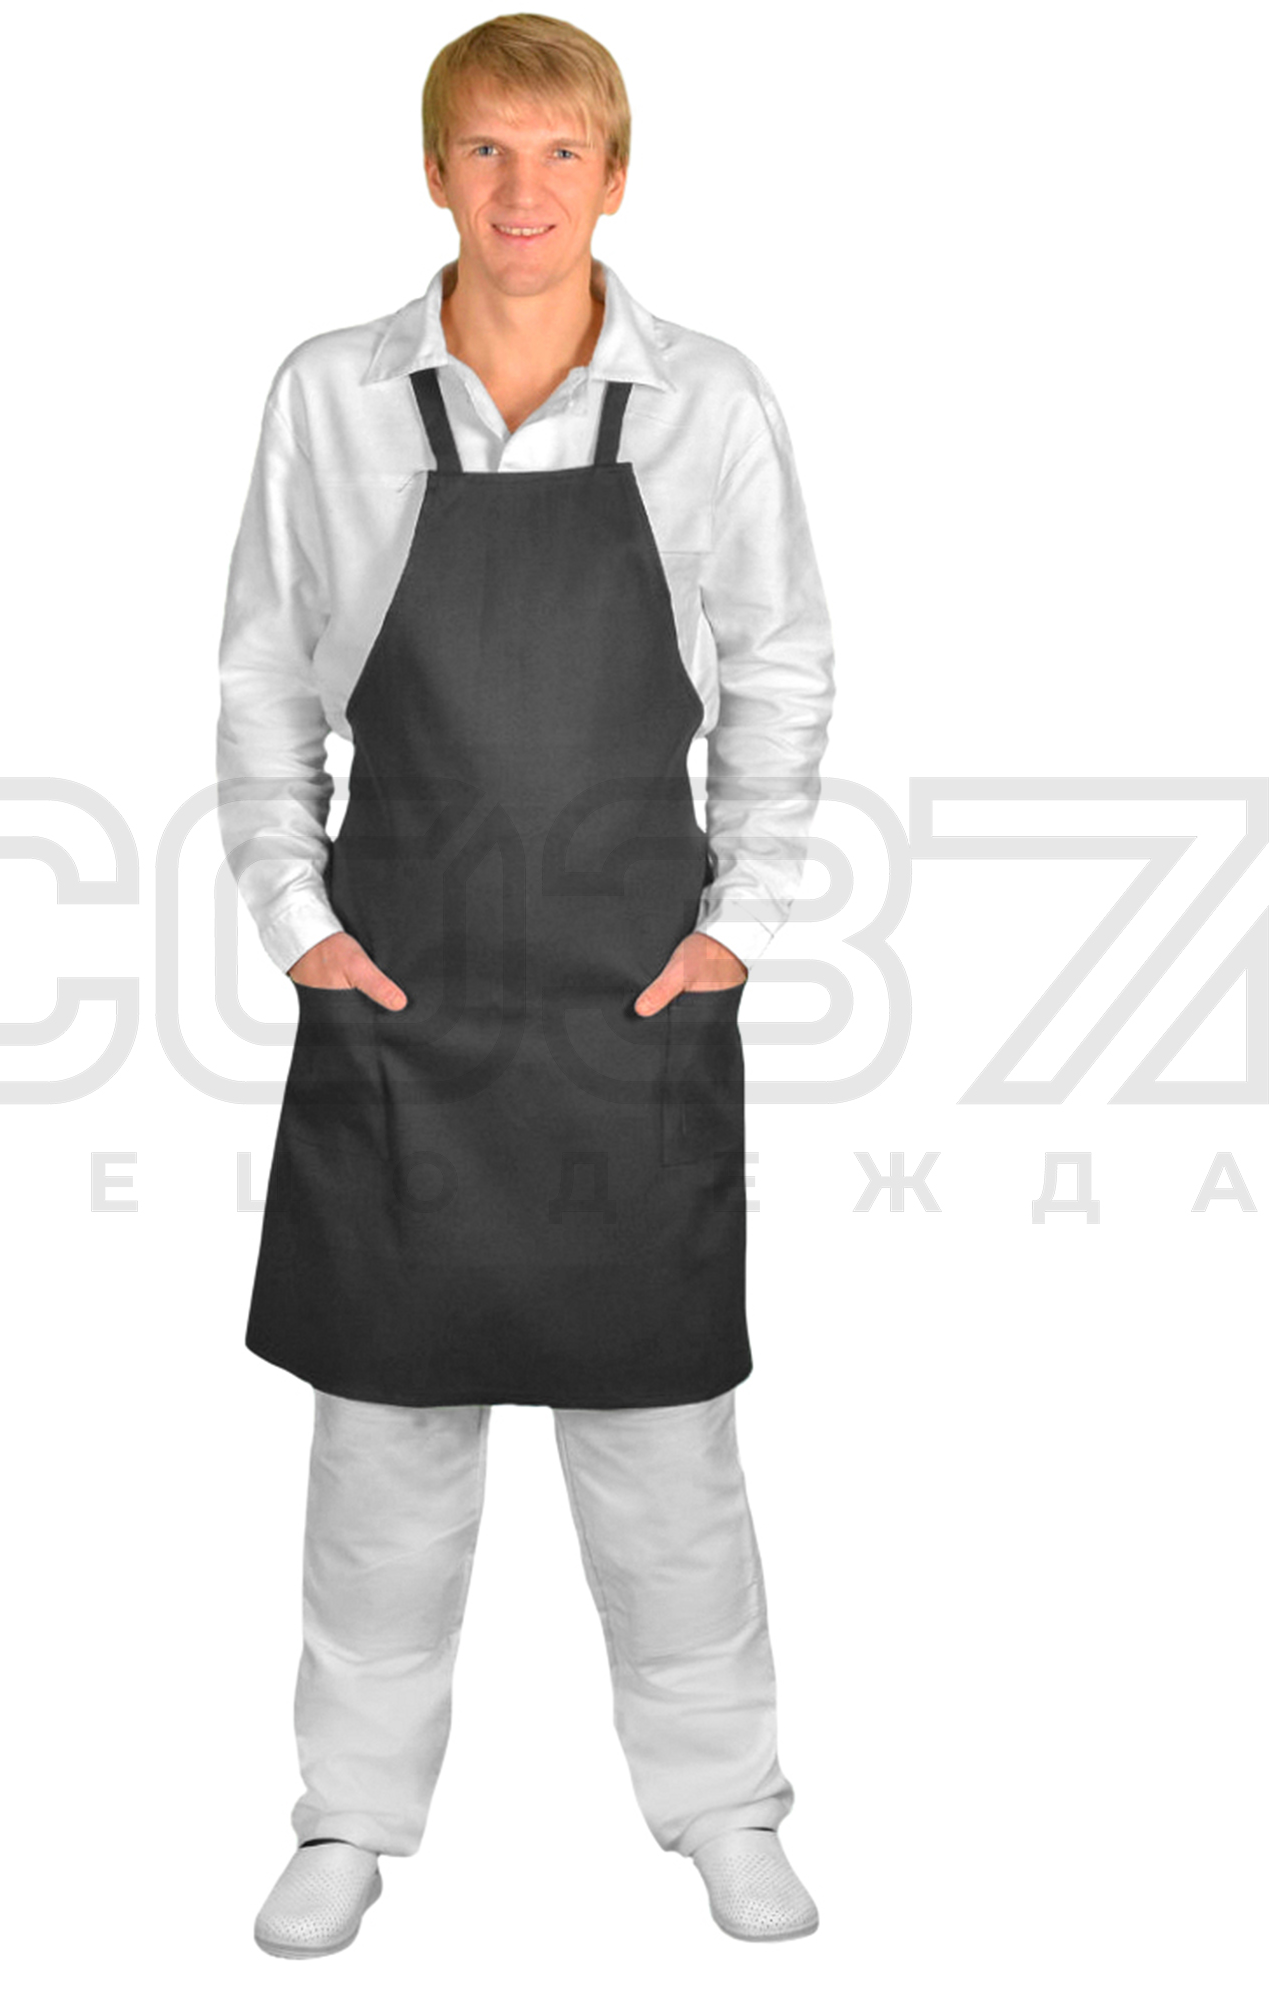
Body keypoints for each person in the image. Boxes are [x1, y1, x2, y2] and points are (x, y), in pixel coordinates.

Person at [216, 12, 836, 1957]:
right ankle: (349, 1818)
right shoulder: (328, 395)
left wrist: (739, 921)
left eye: (561, 152)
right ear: (436, 172)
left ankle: (724, 1806)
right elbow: (263, 670)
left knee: (665, 1448)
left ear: (615, 178)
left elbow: (783, 668)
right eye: (486, 149)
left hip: (632, 990)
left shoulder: (708, 401)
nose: (523, 189)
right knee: (382, 1448)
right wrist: (296, 918)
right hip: (397, 986)